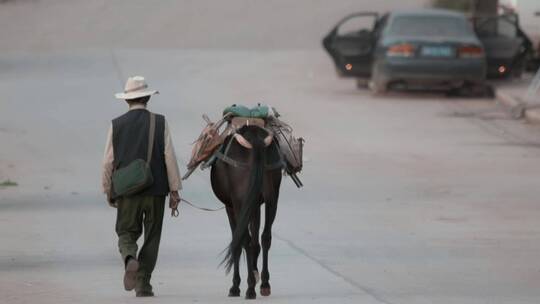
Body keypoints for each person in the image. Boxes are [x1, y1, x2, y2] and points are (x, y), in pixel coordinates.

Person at [101, 76, 182, 297]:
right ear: (147, 98)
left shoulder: (116, 125)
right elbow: (169, 157)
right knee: (152, 235)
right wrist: (174, 190)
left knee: (126, 232)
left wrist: (108, 190)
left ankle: (129, 258)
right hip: (156, 190)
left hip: (127, 191)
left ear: (127, 100)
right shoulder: (160, 122)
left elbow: (108, 161)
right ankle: (143, 284)